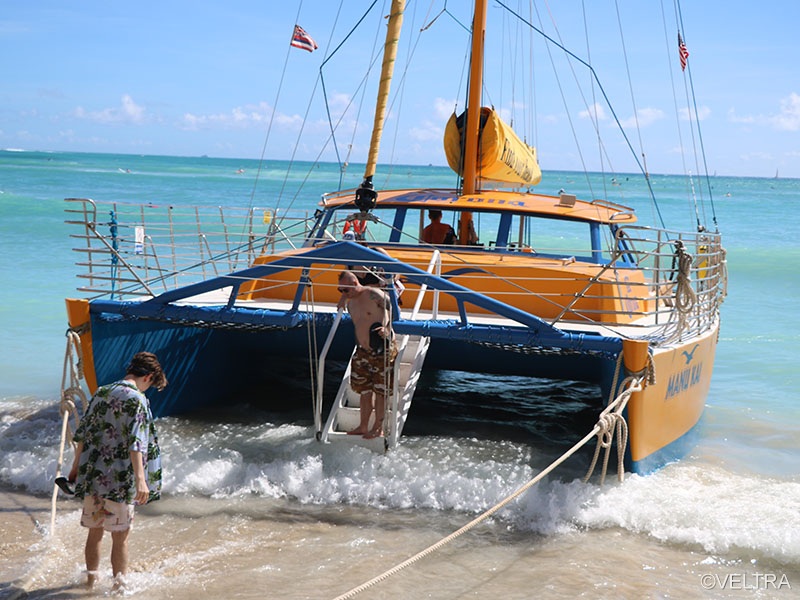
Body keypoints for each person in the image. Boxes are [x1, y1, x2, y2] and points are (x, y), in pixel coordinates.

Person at [67, 351, 167, 590]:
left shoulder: (101, 392)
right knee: (120, 537)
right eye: (151, 384)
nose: (147, 389)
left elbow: (83, 434)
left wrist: (74, 468)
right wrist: (141, 481)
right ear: (149, 376)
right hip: (121, 481)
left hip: (93, 475)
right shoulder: (137, 400)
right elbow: (136, 443)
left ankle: (91, 580)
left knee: (94, 533)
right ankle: (119, 587)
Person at [337, 270, 397, 439]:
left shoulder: (373, 294)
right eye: (340, 290)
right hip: (362, 352)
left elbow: (390, 308)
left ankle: (379, 428)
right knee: (363, 391)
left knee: (380, 391)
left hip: (381, 350)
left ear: (355, 283)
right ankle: (363, 426)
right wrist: (344, 297)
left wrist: (386, 327)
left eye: (345, 290)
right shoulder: (350, 303)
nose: (343, 293)